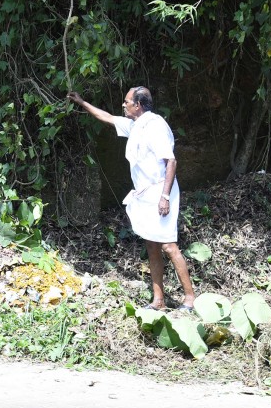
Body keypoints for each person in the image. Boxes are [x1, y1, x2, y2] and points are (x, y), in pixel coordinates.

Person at [67, 87, 196, 311]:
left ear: (138, 105)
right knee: (152, 245)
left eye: (127, 102)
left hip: (161, 191)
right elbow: (107, 117)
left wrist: (165, 197)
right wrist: (81, 102)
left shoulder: (155, 125)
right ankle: (159, 301)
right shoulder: (135, 125)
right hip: (145, 193)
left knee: (168, 245)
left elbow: (171, 162)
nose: (123, 105)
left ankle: (190, 299)